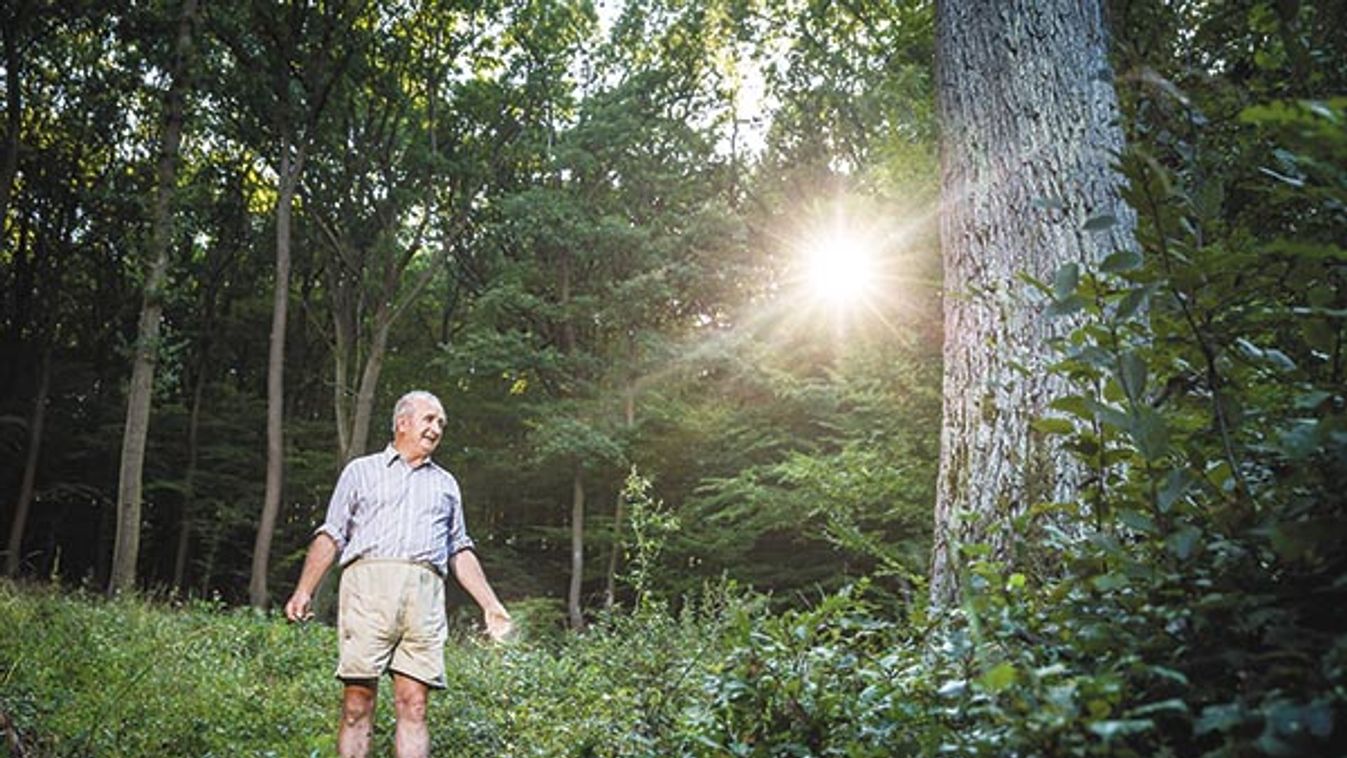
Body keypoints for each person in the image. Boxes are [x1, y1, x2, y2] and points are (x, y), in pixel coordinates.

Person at [284, 389, 513, 758]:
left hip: (424, 597)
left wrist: (490, 603)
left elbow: (459, 549)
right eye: (429, 419)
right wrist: (304, 590)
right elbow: (332, 534)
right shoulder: (361, 471)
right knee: (358, 703)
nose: (436, 428)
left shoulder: (446, 484)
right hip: (367, 590)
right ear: (402, 422)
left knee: (415, 704)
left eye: (441, 423)